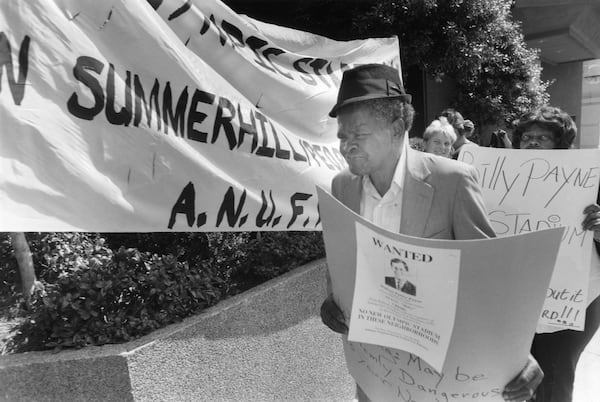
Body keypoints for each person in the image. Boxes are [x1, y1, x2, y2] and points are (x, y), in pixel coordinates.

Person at [320, 63, 544, 402]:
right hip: (374, 368)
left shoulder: (452, 181)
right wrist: (331, 301)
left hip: (438, 375)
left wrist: (517, 357)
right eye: (342, 137)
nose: (346, 146)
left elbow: (487, 277)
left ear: (397, 128)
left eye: (359, 135)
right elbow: (340, 260)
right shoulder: (341, 186)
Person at [512, 105, 600, 402]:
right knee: (517, 378)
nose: (532, 143)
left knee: (555, 375)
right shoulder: (501, 181)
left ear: (560, 144)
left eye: (542, 138)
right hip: (520, 300)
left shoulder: (591, 180)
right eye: (526, 137)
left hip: (574, 302)